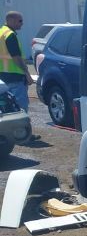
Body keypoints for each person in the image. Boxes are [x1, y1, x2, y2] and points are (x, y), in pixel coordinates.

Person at [0, 11, 39, 140]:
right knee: (21, 106)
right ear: (11, 20)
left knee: (7, 107)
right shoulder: (10, 35)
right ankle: (24, 135)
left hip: (3, 78)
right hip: (15, 77)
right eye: (20, 21)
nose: (22, 23)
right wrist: (27, 73)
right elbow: (16, 57)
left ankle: (8, 133)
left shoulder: (1, 33)